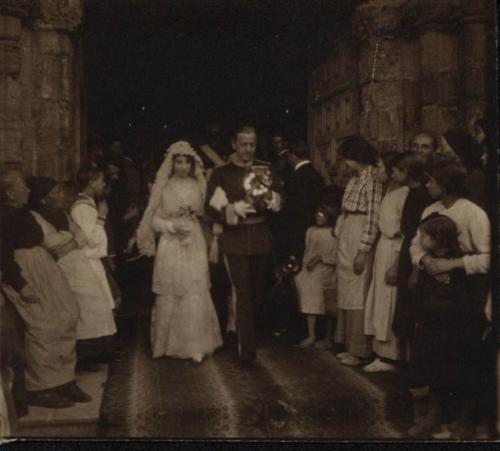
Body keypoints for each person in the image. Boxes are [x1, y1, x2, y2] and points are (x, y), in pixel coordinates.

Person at [409, 161, 491, 438]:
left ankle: (466, 419)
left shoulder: (474, 214)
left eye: (431, 181)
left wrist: (453, 265)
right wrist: (425, 260)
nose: (428, 185)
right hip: (433, 292)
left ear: (445, 184)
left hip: (464, 294)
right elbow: (414, 244)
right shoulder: (430, 211)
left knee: (464, 356)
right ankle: (433, 417)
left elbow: (488, 257)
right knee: (434, 356)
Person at [0, 170, 88, 408]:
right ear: (9, 192)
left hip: (43, 266)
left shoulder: (26, 213)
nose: (28, 190)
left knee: (68, 315)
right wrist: (21, 284)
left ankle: (64, 380)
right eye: (22, 187)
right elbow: (4, 257)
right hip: (24, 272)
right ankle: (41, 387)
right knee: (44, 325)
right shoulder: (3, 217)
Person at [136, 141, 222, 362]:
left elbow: (208, 213)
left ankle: (195, 346)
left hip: (194, 241)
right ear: (172, 163)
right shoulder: (163, 187)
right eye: (179, 162)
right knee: (170, 291)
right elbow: (152, 219)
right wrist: (171, 227)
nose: (183, 166)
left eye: (186, 162)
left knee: (194, 290)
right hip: (170, 243)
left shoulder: (198, 186)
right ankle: (164, 345)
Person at [206, 124, 283, 366]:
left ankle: (247, 338)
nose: (248, 149)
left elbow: (281, 198)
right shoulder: (221, 173)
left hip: (260, 237)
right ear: (234, 145)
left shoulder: (267, 170)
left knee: (258, 295)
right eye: (243, 145)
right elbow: (209, 207)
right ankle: (246, 350)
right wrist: (232, 208)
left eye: (252, 145)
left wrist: (274, 199)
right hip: (234, 239)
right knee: (243, 293)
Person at [27, 177, 117, 365]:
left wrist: (68, 240)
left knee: (96, 304)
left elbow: (81, 237)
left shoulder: (62, 214)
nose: (62, 195)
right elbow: (51, 243)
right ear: (44, 199)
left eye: (61, 190)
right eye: (56, 192)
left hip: (77, 262)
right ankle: (82, 356)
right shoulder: (36, 216)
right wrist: (70, 239)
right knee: (77, 310)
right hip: (59, 267)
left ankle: (95, 350)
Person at [408, 214, 476, 438]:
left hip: (450, 332)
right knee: (425, 371)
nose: (420, 239)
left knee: (445, 375)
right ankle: (429, 418)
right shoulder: (427, 261)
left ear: (439, 239)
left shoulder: (457, 265)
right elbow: (419, 293)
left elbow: (464, 301)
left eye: (424, 236)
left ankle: (444, 419)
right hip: (428, 327)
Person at [333, 136, 383, 367]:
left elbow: (373, 217)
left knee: (358, 290)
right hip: (347, 232)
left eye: (348, 159)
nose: (345, 164)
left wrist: (363, 250)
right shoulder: (354, 179)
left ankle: (360, 349)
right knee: (346, 288)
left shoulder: (373, 178)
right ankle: (347, 343)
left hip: (359, 233)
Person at [363, 153, 409, 373]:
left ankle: (391, 356)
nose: (376, 171)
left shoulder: (404, 193)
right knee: (380, 298)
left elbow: (403, 230)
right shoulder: (388, 191)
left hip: (394, 248)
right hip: (383, 247)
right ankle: (380, 351)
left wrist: (397, 263)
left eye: (379, 166)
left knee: (390, 298)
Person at [392, 153, 433, 343]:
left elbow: (421, 236)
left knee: (411, 303)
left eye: (395, 171)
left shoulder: (422, 197)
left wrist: (416, 269)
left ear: (405, 172)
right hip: (407, 249)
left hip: (415, 254)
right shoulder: (411, 193)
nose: (392, 175)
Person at [294, 205, 338, 349]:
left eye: (322, 214)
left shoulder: (334, 233)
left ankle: (328, 337)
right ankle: (311, 334)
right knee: (309, 302)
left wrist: (321, 258)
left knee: (328, 304)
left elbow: (337, 256)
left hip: (327, 271)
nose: (318, 216)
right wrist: (304, 265)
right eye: (317, 213)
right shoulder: (311, 231)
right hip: (310, 271)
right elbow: (308, 250)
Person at [284, 140, 326, 262]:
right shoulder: (316, 174)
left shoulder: (294, 178)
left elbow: (292, 206)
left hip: (297, 228)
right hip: (314, 227)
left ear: (292, 156)